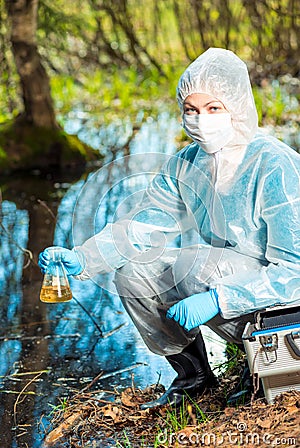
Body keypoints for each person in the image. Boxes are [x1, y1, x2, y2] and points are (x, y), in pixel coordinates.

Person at [39, 48, 300, 409]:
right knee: (135, 273)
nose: (200, 120)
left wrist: (219, 299)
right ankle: (193, 377)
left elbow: (295, 271)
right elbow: (142, 227)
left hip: (285, 303)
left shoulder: (274, 165)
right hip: (233, 280)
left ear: (237, 107)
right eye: (191, 110)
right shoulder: (187, 164)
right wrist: (82, 259)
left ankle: (262, 364)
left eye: (213, 108)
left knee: (198, 267)